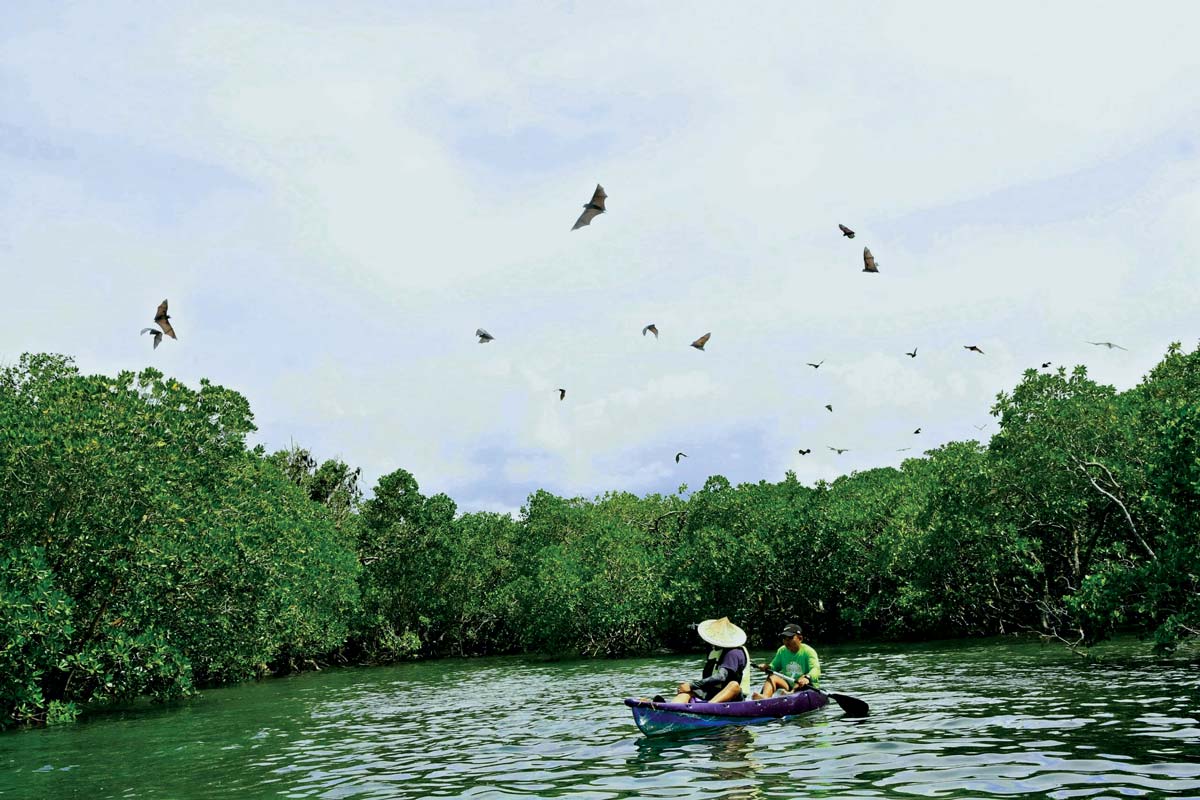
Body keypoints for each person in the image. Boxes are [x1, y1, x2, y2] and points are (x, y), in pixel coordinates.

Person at [668, 617, 752, 704]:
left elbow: (721, 677)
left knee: (734, 685)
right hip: (713, 693)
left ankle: (709, 706)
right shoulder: (716, 651)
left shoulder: (734, 653)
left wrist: (692, 685)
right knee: (685, 691)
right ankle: (669, 709)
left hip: (734, 697)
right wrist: (689, 688)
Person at [752, 623, 820, 700]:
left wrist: (807, 678)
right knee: (772, 677)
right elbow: (774, 667)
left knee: (802, 677)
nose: (787, 641)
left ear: (800, 638)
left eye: (790, 638)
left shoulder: (809, 651)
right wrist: (767, 667)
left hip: (806, 686)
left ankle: (791, 693)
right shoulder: (782, 651)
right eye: (784, 638)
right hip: (789, 685)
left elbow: (816, 669)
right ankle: (764, 698)